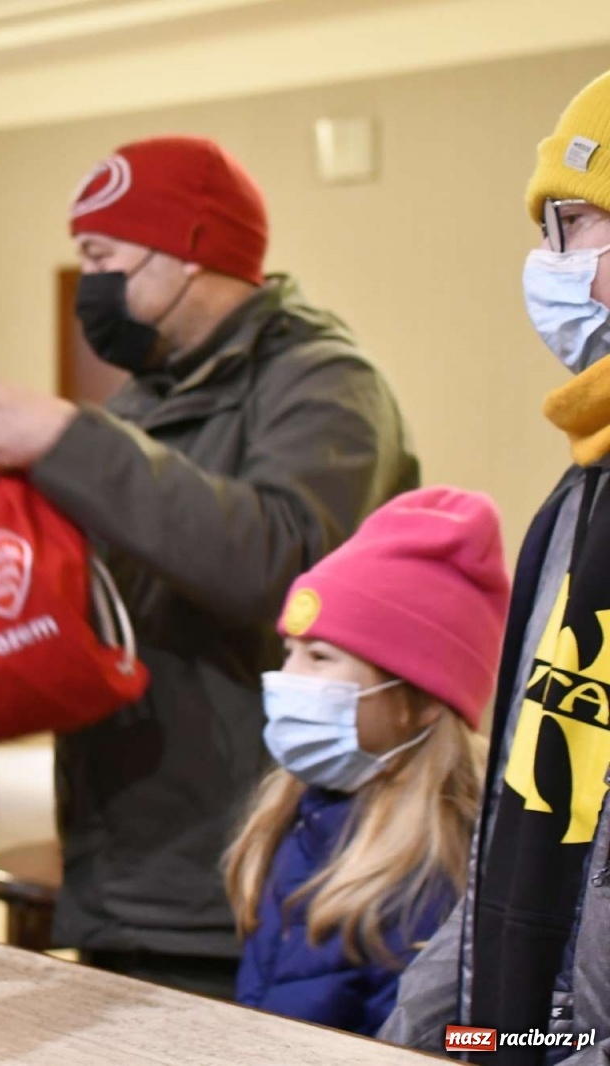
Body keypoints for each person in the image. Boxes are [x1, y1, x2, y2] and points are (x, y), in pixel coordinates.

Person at [0, 134, 419, 997]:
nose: (90, 282)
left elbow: (288, 565)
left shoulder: (325, 383)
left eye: (101, 255)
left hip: (254, 870)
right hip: (129, 863)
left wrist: (71, 439)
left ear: (189, 249)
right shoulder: (144, 401)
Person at [380, 70, 610, 1065]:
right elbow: (532, 794)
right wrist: (434, 1030)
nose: (548, 260)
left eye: (574, 223)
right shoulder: (584, 488)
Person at [226, 487, 505, 1035]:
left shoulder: (439, 881)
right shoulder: (296, 817)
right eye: (289, 652)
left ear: (421, 701)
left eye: (320, 657)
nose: (287, 679)